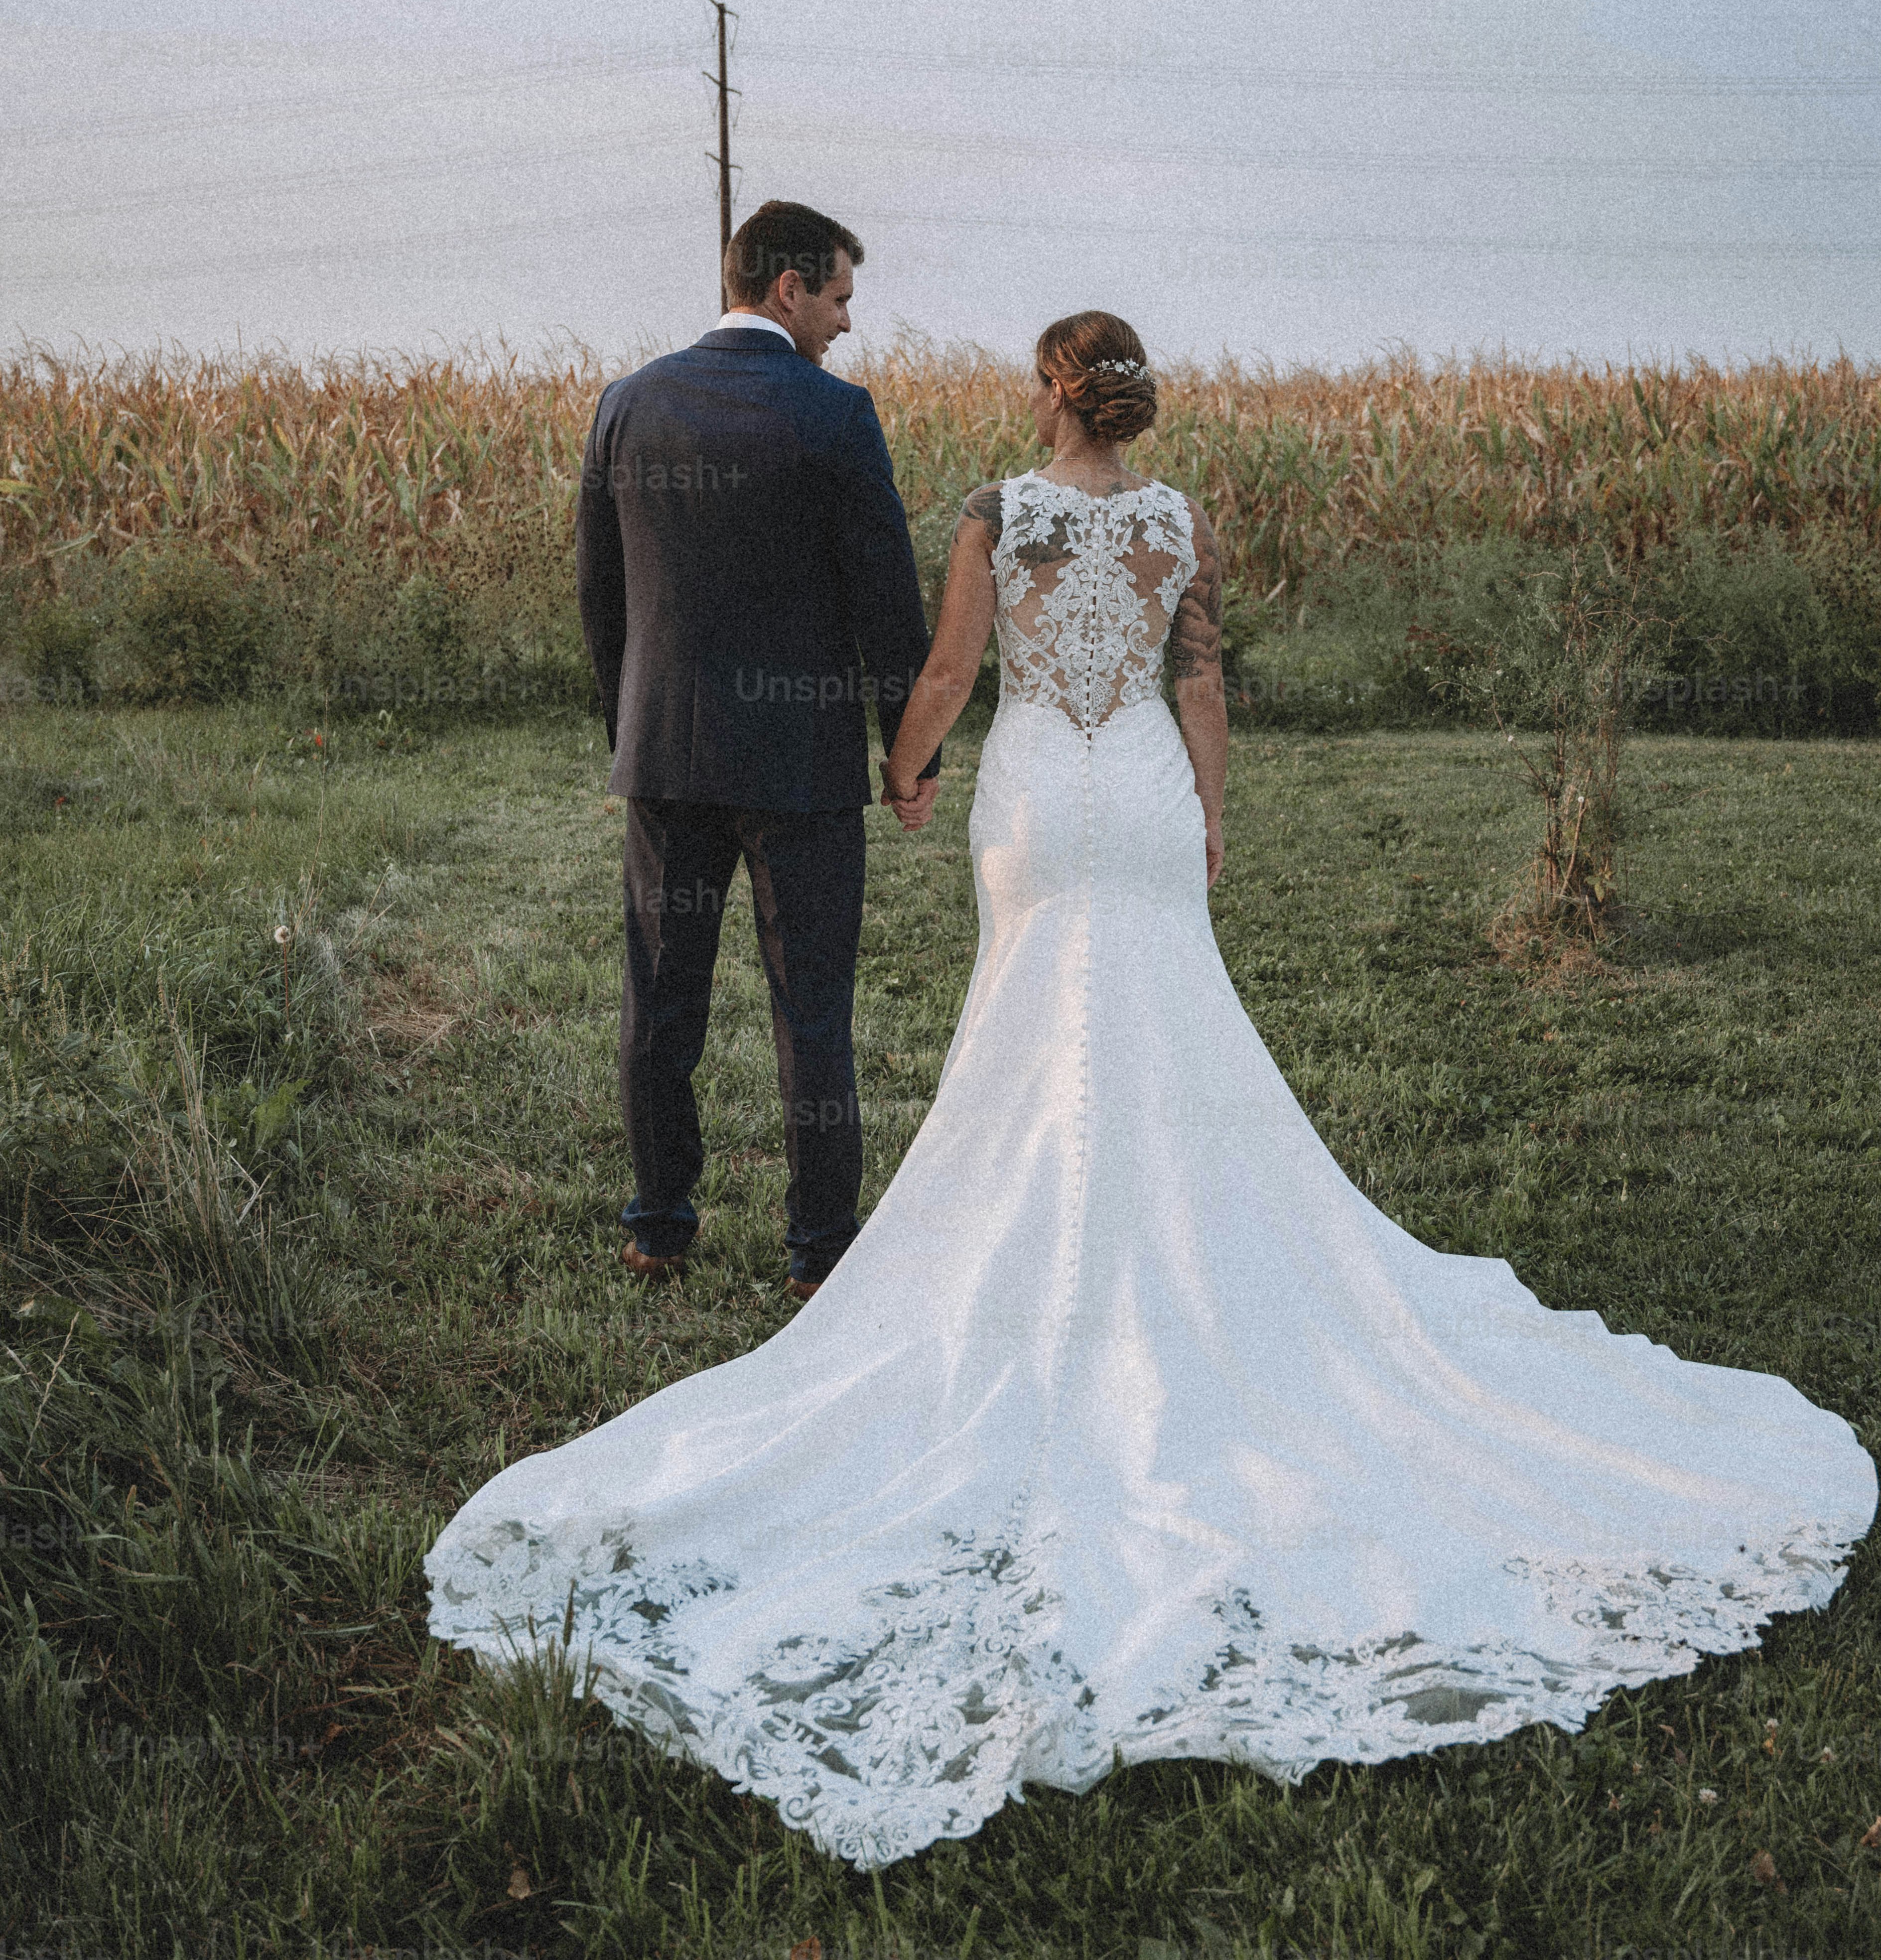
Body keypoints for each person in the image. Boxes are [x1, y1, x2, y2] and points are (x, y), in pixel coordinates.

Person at [431, 308, 1875, 1870]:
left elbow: (953, 666)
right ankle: (1187, 1271)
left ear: (1048, 395)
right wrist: (1209, 819)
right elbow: (1203, 689)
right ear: (1128, 400)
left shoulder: (1001, 510)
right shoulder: (1178, 521)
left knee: (1029, 1034)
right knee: (1164, 1033)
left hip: (1043, 796)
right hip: (1137, 795)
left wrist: (905, 767)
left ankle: (1040, 1266)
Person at [573, 197, 937, 1299]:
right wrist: (906, 751)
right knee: (811, 1008)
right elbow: (886, 599)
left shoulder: (627, 403)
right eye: (837, 298)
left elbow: (601, 594)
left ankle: (656, 1228)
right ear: (787, 289)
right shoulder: (833, 414)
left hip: (664, 758)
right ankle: (818, 1253)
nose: (844, 323)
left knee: (659, 997)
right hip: (801, 770)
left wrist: (625, 727)